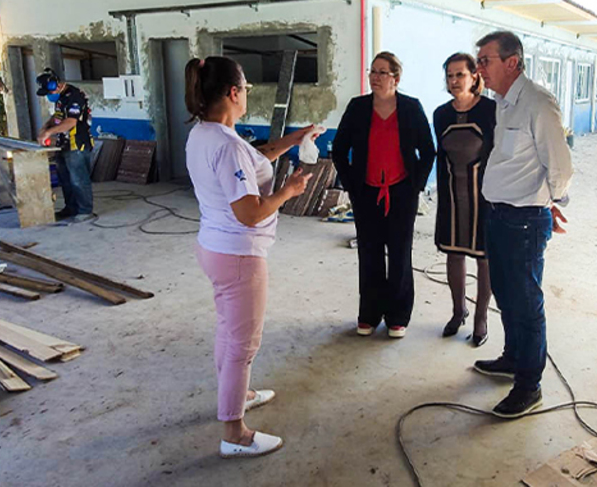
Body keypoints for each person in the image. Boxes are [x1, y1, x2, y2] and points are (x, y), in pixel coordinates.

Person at [185, 56, 316, 459]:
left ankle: (236, 398)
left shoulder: (205, 134)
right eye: (245, 88)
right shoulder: (225, 146)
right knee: (243, 344)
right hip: (239, 255)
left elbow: (255, 157)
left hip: (215, 247)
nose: (247, 95)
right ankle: (235, 433)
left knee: (228, 331)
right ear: (232, 92)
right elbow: (250, 212)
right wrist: (289, 191)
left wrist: (293, 140)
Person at [473, 31, 573, 418]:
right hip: (499, 214)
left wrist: (551, 202)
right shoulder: (502, 102)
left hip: (524, 221)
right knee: (504, 292)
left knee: (526, 303)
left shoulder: (537, 103)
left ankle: (529, 386)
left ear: (512, 62)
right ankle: (513, 358)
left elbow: (560, 166)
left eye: (485, 60)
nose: (480, 67)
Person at [332, 52, 435, 339]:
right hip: (366, 193)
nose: (375, 77)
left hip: (401, 192)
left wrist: (416, 185)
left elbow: (428, 151)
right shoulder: (358, 107)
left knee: (400, 254)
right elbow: (339, 149)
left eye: (382, 72)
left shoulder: (411, 108)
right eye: (372, 71)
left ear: (396, 78)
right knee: (369, 253)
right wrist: (352, 184)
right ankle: (369, 314)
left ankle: (397, 317)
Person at [432, 53, 496, 347]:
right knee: (453, 253)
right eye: (449, 76)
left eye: (460, 74)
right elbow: (440, 155)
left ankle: (480, 317)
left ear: (474, 76)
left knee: (485, 259)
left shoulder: (491, 111)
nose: (454, 81)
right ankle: (458, 311)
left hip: (484, 195)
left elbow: (498, 154)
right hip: (451, 194)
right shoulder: (441, 114)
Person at [35, 69, 95, 222]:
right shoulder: (61, 99)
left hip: (77, 144)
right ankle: (71, 208)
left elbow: (70, 122)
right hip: (64, 144)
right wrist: (45, 127)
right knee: (65, 179)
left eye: (50, 91)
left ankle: (85, 210)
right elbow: (58, 117)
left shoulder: (74, 96)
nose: (50, 95)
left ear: (57, 84)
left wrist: (49, 133)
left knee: (78, 179)